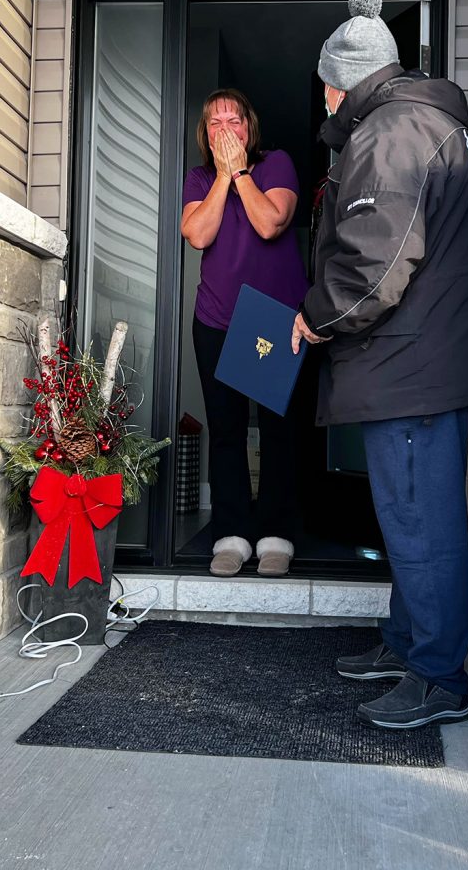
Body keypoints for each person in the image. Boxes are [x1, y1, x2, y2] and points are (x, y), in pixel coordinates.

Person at [292, 0, 468, 729]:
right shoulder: (420, 122)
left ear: (342, 81)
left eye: (324, 82)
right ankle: (408, 642)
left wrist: (316, 316)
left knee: (422, 523)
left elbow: (374, 264)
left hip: (415, 367)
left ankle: (437, 678)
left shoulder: (391, 133)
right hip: (423, 360)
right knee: (411, 517)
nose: (320, 96)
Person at [182, 89, 310, 578]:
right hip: (216, 318)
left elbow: (270, 222)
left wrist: (239, 174)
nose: (225, 129)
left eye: (234, 120)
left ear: (249, 128)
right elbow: (198, 234)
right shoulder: (198, 178)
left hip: (272, 318)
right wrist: (220, 177)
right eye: (215, 123)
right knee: (228, 431)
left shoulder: (275, 164)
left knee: (278, 430)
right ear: (205, 134)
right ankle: (231, 535)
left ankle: (277, 534)